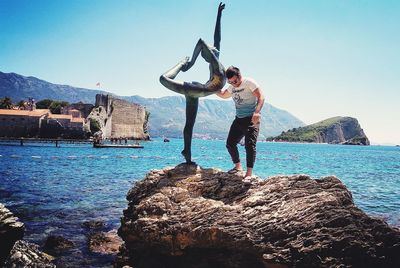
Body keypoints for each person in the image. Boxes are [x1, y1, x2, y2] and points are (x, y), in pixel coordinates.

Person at [160, 3, 226, 165]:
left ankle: (181, 64)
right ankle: (187, 153)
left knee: (163, 78)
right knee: (189, 124)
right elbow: (216, 38)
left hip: (200, 89)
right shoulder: (216, 62)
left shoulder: (216, 63)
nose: (212, 49)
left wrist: (189, 64)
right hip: (199, 90)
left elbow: (201, 41)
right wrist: (219, 15)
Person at [216, 66, 265, 181]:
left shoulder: (249, 82)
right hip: (238, 119)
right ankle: (238, 167)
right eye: (230, 82)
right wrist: (213, 89)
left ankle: (249, 174)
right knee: (230, 144)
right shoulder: (232, 87)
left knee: (249, 146)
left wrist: (257, 112)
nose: (234, 84)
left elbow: (261, 97)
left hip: (251, 119)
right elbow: (223, 95)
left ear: (239, 76)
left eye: (235, 81)